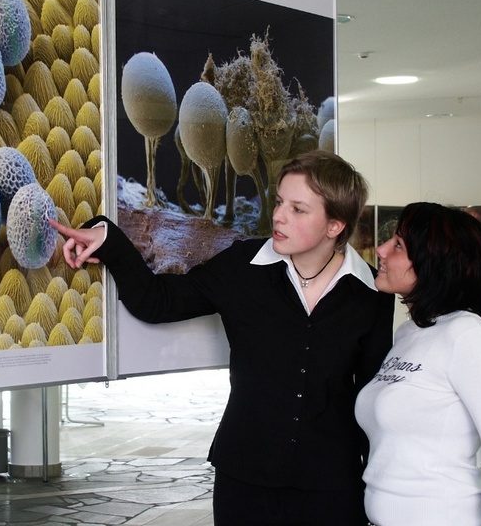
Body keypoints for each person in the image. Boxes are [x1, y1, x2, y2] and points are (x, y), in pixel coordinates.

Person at [51, 150, 395, 526]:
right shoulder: (244, 267)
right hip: (244, 479)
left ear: (335, 226)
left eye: (298, 209)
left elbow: (371, 397)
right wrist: (108, 239)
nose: (278, 216)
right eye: (280, 202)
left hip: (332, 485)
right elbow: (158, 302)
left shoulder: (371, 294)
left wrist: (378, 491)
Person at [355, 202, 481, 526]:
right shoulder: (411, 332)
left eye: (398, 245)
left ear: (434, 264)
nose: (382, 250)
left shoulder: (468, 339)